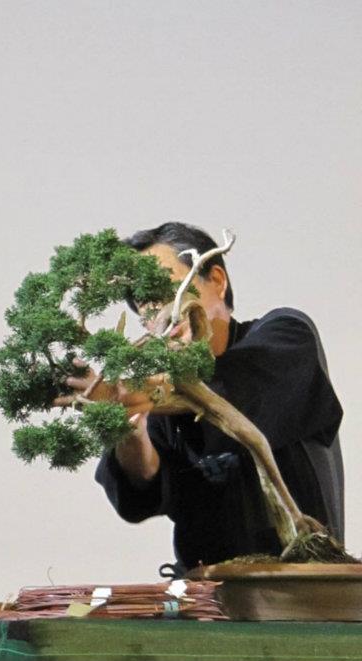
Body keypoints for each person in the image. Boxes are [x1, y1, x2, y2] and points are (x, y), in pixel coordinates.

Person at [76, 222, 344, 575]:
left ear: (217, 280)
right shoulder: (156, 398)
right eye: (146, 303)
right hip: (205, 592)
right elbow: (144, 489)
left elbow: (242, 390)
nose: (162, 309)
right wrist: (130, 429)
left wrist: (144, 393)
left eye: (167, 286)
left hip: (301, 585)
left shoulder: (287, 335)